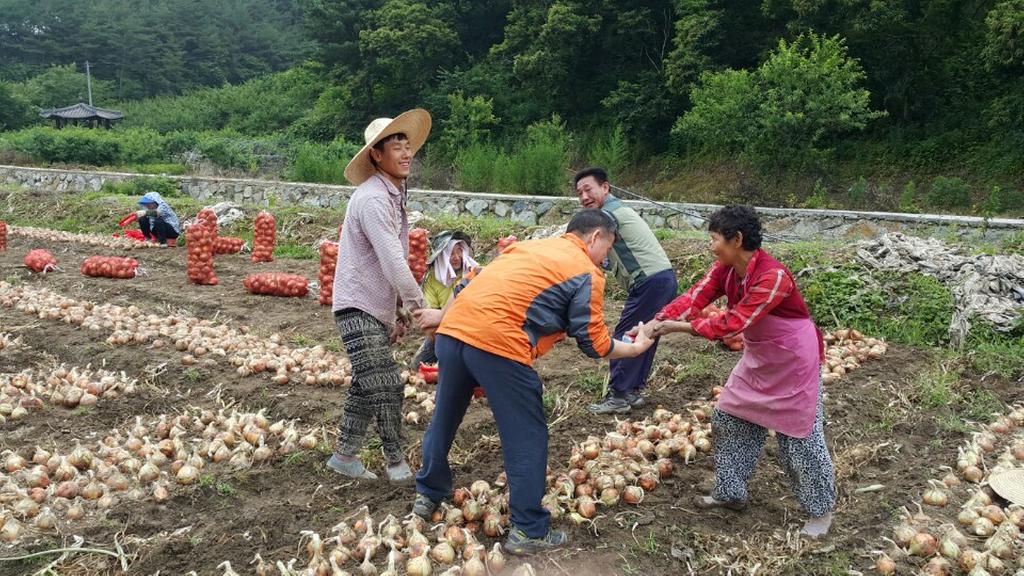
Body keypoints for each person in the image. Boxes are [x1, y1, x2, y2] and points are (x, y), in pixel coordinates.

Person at [411, 209, 656, 555]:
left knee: (445, 417)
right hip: (499, 342)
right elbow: (593, 342)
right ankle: (527, 530)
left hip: (452, 335)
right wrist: (635, 349)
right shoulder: (587, 271)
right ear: (594, 238)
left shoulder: (526, 248)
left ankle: (428, 494)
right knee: (527, 434)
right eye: (609, 246)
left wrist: (444, 317)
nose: (607, 256)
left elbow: (467, 282)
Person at [637, 205, 836, 538]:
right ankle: (731, 492)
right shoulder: (725, 270)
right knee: (729, 418)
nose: (711, 245)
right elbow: (694, 297)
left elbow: (734, 323)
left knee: (799, 440)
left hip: (793, 361)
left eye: (714, 239)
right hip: (761, 356)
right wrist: (658, 321)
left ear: (736, 239)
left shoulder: (773, 276)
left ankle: (820, 512)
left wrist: (676, 328)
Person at [327, 109, 432, 483]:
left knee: (365, 382)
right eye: (396, 146)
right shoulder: (372, 199)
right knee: (386, 381)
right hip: (357, 305)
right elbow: (391, 259)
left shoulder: (391, 196)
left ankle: (345, 456)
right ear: (376, 154)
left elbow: (387, 261)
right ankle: (396, 462)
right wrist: (421, 309)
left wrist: (397, 311)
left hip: (371, 305)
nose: (405, 154)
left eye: (408, 146)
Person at [575, 167, 677, 414]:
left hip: (650, 281)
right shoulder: (616, 211)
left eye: (588, 189)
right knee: (646, 333)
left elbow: (579, 238)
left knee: (626, 334)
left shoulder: (608, 215)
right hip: (661, 279)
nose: (583, 197)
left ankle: (619, 394)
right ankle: (630, 391)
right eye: (579, 193)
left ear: (605, 188)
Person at [409, 230, 478, 368]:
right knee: (417, 366)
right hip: (443, 329)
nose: (456, 257)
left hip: (472, 328)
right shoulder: (432, 280)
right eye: (451, 253)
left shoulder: (473, 273)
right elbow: (430, 315)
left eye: (459, 251)